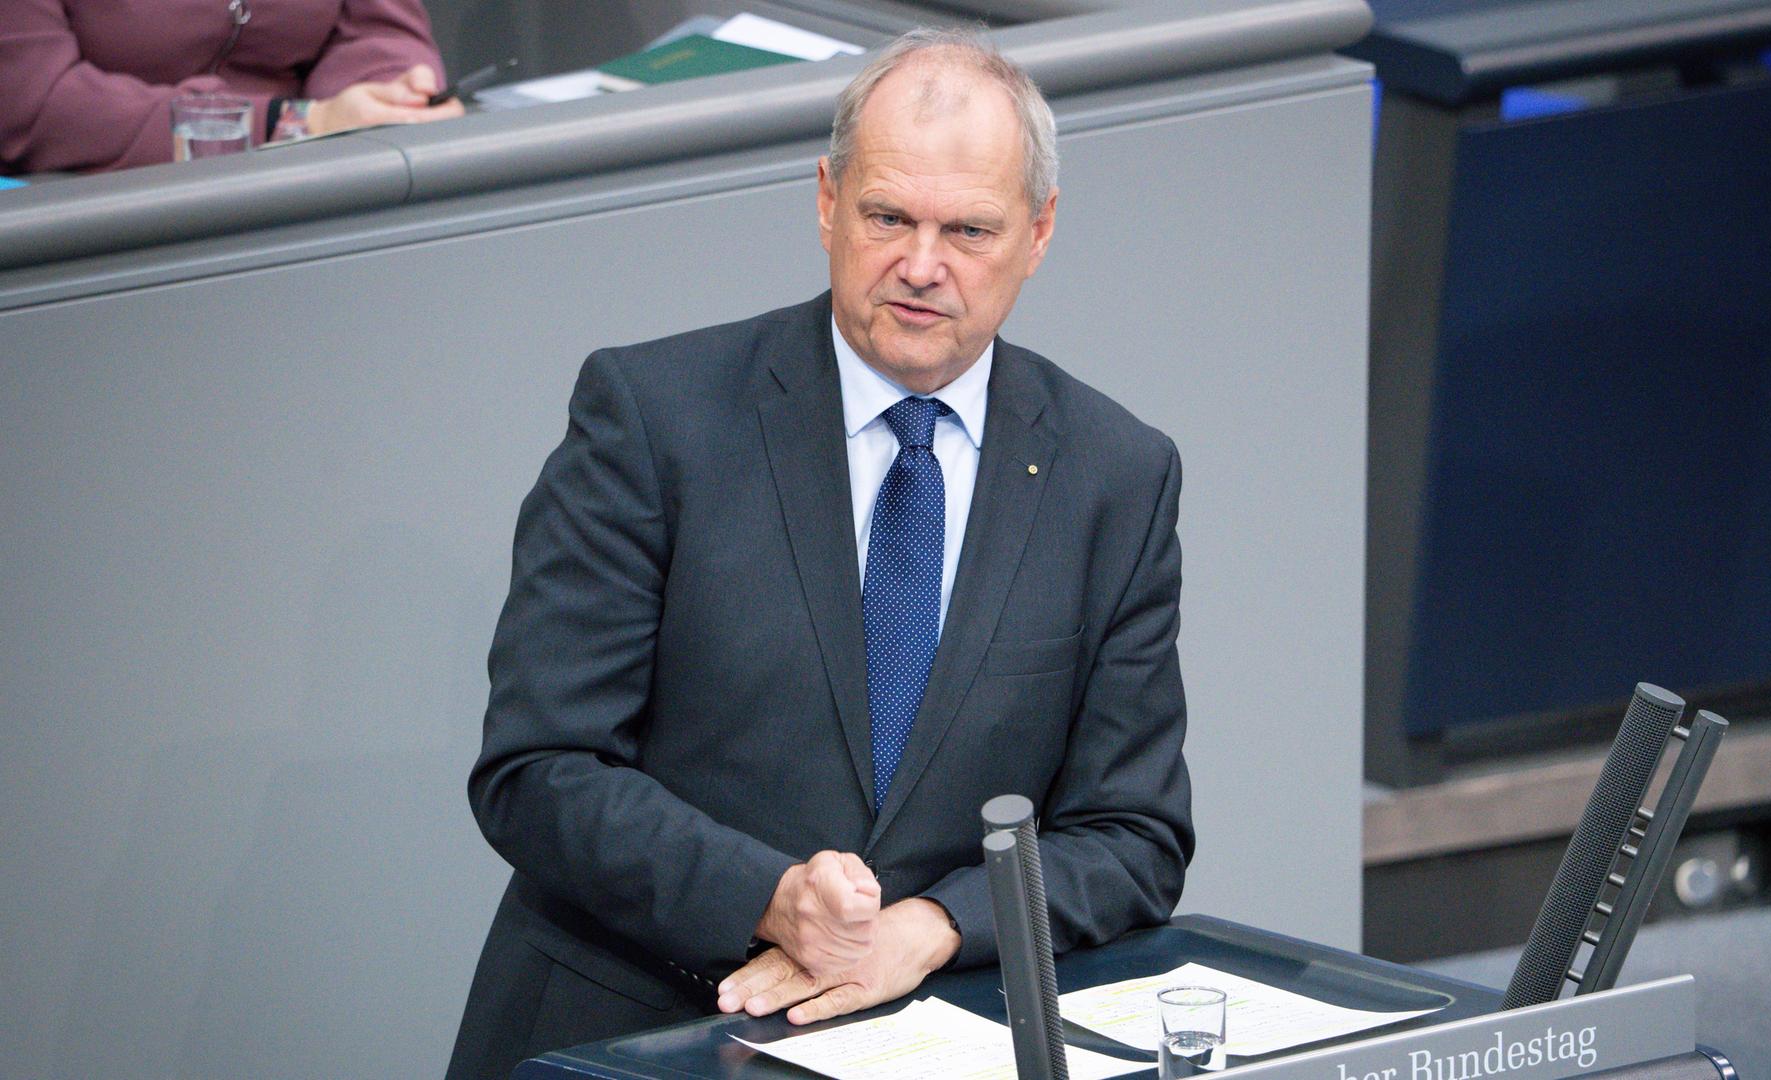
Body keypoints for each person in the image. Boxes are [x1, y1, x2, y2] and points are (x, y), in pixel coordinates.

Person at [445, 27, 1194, 1079]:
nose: (922, 267)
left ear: (1039, 231)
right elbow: (537, 770)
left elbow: (1132, 833)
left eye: (969, 230)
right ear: (826, 200)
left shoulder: (1115, 473)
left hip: (932, 1043)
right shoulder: (654, 420)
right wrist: (768, 897)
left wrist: (931, 923)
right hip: (637, 1035)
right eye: (888, 216)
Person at [0, 0, 462, 175]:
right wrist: (297, 123)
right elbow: (34, 106)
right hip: (96, 217)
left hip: (310, 188)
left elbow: (379, 31)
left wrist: (392, 99)